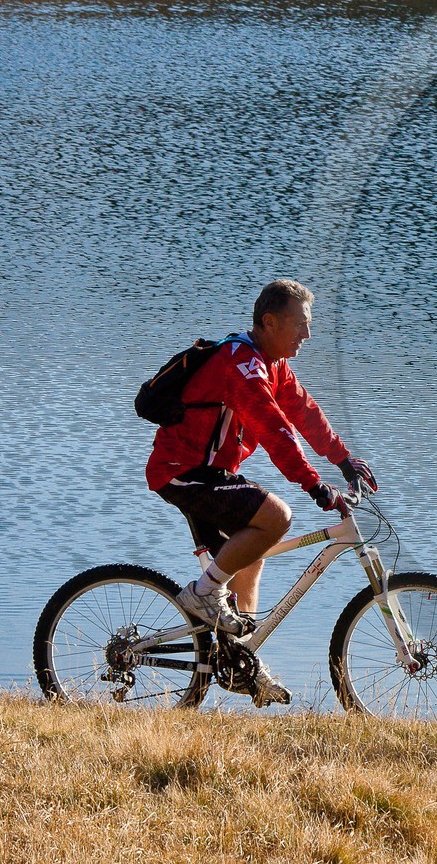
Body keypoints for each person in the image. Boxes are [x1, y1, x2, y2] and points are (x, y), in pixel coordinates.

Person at [146, 279, 378, 706]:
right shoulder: (243, 365)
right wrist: (316, 487)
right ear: (270, 323)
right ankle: (201, 596)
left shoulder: (271, 363)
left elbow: (304, 413)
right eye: (300, 326)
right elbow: (275, 432)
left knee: (250, 556)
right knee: (276, 517)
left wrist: (343, 460)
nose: (307, 335)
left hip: (211, 473)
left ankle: (239, 659)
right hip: (184, 472)